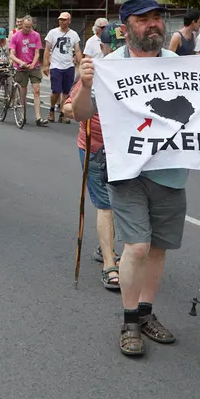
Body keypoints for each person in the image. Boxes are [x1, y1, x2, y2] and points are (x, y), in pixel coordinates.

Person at [71, 0, 200, 357]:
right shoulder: (107, 66)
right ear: (125, 27)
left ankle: (147, 313)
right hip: (127, 172)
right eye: (143, 19)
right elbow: (80, 113)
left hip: (170, 173)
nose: (153, 24)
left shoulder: (179, 65)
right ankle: (130, 319)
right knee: (136, 246)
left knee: (159, 248)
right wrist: (86, 85)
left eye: (157, 19)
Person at [63, 22, 126, 290]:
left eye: (125, 46)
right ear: (103, 47)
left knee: (124, 203)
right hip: (96, 147)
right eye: (116, 46)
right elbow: (69, 107)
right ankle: (110, 263)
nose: (121, 52)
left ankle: (106, 247)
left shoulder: (144, 71)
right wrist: (82, 100)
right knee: (106, 204)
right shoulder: (94, 72)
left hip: (129, 149)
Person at [43, 11, 82, 124]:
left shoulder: (74, 34)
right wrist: (46, 64)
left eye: (64, 19)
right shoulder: (52, 33)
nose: (62, 21)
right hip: (56, 65)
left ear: (69, 21)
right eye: (60, 19)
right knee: (56, 90)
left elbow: (78, 50)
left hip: (68, 65)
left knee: (66, 91)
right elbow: (47, 50)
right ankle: (51, 109)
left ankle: (62, 113)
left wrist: (81, 63)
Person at [9, 16, 46, 126]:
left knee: (37, 89)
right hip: (21, 67)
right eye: (25, 27)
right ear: (22, 25)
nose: (27, 29)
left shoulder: (36, 35)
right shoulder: (16, 36)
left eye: (29, 27)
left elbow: (37, 53)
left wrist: (33, 64)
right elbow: (11, 54)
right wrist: (20, 62)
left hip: (33, 66)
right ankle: (23, 115)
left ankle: (38, 117)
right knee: (22, 92)